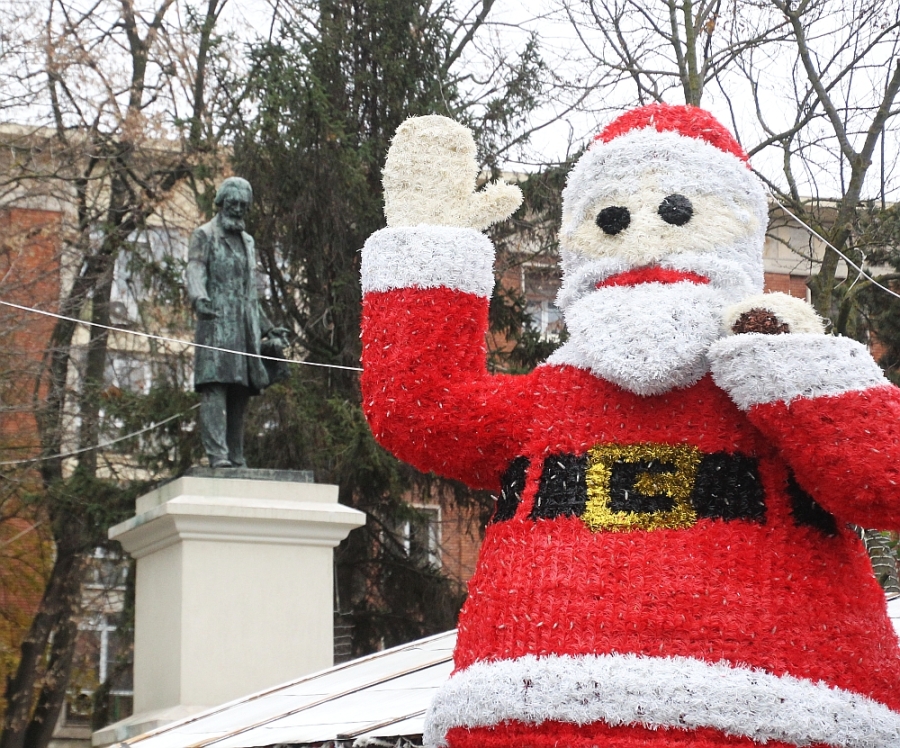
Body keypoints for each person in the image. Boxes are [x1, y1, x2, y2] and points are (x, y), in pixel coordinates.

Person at [360, 109, 900, 748]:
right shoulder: (550, 399)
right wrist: (431, 242)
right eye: (611, 217)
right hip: (531, 706)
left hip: (779, 708)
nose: (643, 237)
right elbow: (420, 408)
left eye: (677, 213)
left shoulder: (769, 375)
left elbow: (881, 482)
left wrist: (796, 368)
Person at [186, 177, 287, 468]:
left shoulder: (248, 242)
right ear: (222, 202)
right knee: (215, 387)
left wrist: (268, 328)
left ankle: (236, 454)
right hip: (215, 322)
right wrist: (199, 298)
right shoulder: (204, 235)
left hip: (244, 326)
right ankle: (217, 455)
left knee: (240, 390)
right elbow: (195, 268)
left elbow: (250, 293)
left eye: (244, 205)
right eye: (234, 203)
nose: (238, 209)